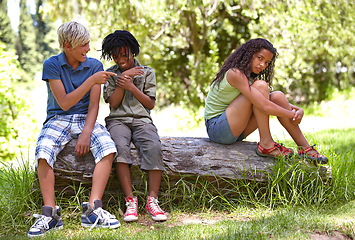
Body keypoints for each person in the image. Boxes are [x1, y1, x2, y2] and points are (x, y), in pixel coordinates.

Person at [27, 21, 121, 238]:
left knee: (108, 147)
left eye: (88, 43)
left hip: (85, 118)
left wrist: (87, 132)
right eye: (83, 45)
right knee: (43, 150)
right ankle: (50, 214)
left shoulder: (95, 65)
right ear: (67, 46)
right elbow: (65, 103)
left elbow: (94, 105)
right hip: (58, 117)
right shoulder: (51, 65)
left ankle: (93, 209)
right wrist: (91, 81)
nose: (88, 49)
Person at [204, 38, 328, 164]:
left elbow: (270, 101)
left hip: (236, 129)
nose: (263, 65)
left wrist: (298, 110)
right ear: (249, 54)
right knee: (262, 86)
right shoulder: (235, 74)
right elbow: (264, 106)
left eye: (267, 62)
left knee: (278, 96)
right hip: (217, 129)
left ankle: (305, 148)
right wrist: (292, 114)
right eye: (260, 58)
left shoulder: (249, 78)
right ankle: (266, 144)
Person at [101, 30, 167, 222]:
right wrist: (122, 83)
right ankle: (131, 201)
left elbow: (150, 104)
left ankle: (152, 201)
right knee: (119, 148)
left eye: (124, 54)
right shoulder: (111, 74)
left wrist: (131, 86)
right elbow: (113, 104)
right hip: (118, 120)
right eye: (115, 55)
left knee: (153, 146)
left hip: (142, 119)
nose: (120, 59)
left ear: (133, 51)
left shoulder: (147, 72)